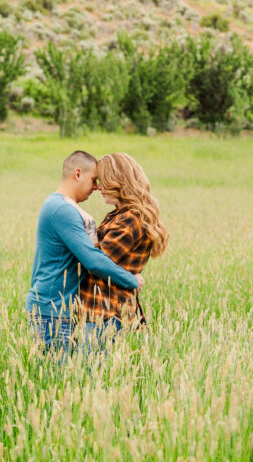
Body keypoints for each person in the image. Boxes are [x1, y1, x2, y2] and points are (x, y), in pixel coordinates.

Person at [25, 150, 143, 357]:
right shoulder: (61, 209)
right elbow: (92, 260)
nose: (97, 187)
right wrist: (132, 280)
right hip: (52, 311)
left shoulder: (64, 207)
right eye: (94, 180)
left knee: (63, 380)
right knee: (56, 379)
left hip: (58, 309)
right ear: (77, 174)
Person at [78, 152, 168, 346]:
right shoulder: (119, 215)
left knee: (90, 373)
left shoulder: (131, 218)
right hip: (103, 310)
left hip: (105, 312)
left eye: (103, 181)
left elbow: (96, 261)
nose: (98, 187)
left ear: (118, 181)